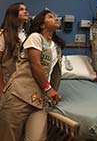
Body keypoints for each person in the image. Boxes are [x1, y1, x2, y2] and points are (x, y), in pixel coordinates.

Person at [0, 9, 64, 141]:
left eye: (56, 17)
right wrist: (48, 88)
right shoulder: (35, 37)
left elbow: (53, 72)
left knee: (37, 138)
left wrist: (50, 91)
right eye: (50, 17)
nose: (56, 19)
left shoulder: (56, 47)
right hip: (19, 95)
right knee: (9, 137)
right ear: (42, 24)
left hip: (40, 100)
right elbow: (36, 65)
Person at [0, 2, 29, 97]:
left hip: (22, 80)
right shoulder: (4, 35)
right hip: (6, 79)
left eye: (26, 9)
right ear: (13, 14)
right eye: (21, 9)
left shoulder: (26, 35)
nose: (25, 12)